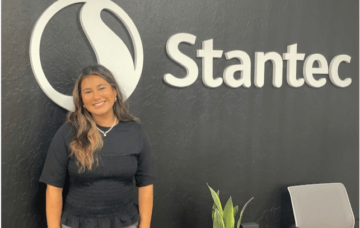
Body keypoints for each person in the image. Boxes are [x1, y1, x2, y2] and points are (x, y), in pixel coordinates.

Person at [39, 65, 156, 228]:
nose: (96, 96)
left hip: (126, 224)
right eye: (88, 92)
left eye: (101, 88)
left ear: (114, 93)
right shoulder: (68, 132)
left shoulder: (135, 131)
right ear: (82, 101)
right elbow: (53, 188)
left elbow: (146, 185)